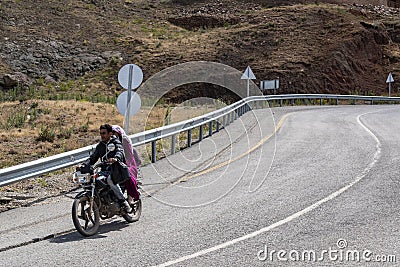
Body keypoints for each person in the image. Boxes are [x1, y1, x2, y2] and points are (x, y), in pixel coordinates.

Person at [81, 124, 132, 213]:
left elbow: (120, 151)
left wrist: (115, 158)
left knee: (109, 179)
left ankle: (123, 201)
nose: (102, 135)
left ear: (110, 133)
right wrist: (84, 165)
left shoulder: (115, 142)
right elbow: (93, 157)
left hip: (116, 169)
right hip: (105, 170)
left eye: (104, 133)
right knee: (94, 180)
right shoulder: (100, 145)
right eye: (101, 133)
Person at [112, 125, 140, 204]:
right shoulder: (111, 141)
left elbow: (128, 155)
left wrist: (124, 164)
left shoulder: (124, 139)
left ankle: (130, 197)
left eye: (115, 132)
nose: (113, 134)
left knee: (128, 177)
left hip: (128, 163)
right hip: (115, 163)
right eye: (112, 132)